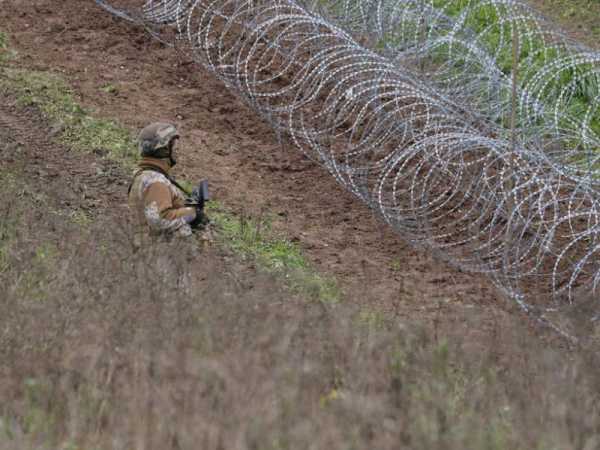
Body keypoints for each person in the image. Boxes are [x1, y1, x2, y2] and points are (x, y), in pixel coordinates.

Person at [128, 122, 208, 247]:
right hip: (161, 257)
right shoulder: (155, 182)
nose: (175, 150)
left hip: (153, 255)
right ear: (164, 148)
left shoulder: (146, 176)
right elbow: (160, 220)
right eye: (173, 145)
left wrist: (184, 206)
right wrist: (193, 213)